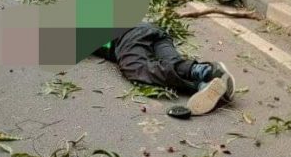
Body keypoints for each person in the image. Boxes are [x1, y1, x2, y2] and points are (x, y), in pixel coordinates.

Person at [95, 23, 235, 118]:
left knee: (137, 68)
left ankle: (200, 80)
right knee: (171, 65)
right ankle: (206, 76)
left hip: (130, 35)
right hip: (156, 32)